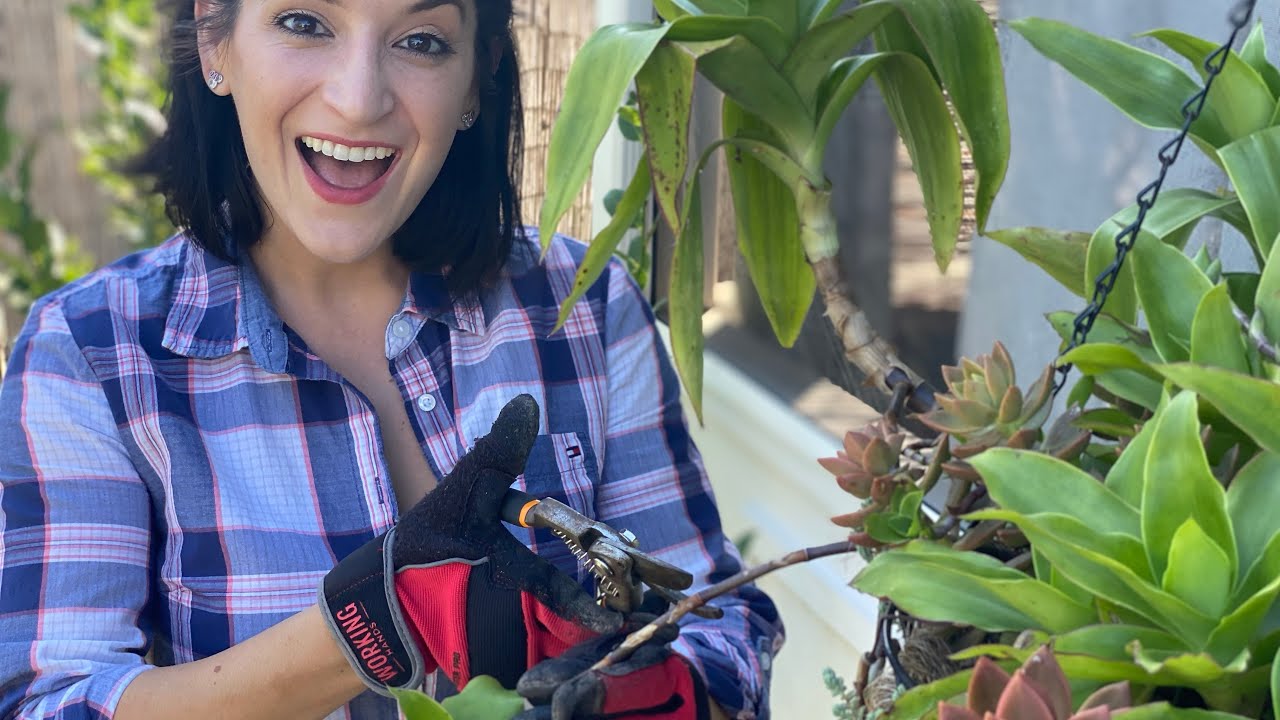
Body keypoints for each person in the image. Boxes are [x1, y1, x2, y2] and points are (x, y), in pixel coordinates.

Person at [0, 0, 784, 718]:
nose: (357, 97)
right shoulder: (91, 356)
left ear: (476, 80)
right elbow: (54, 700)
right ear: (215, 39)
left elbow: (724, 622)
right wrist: (364, 630)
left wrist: (672, 694)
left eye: (421, 40)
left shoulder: (585, 309)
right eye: (306, 22)